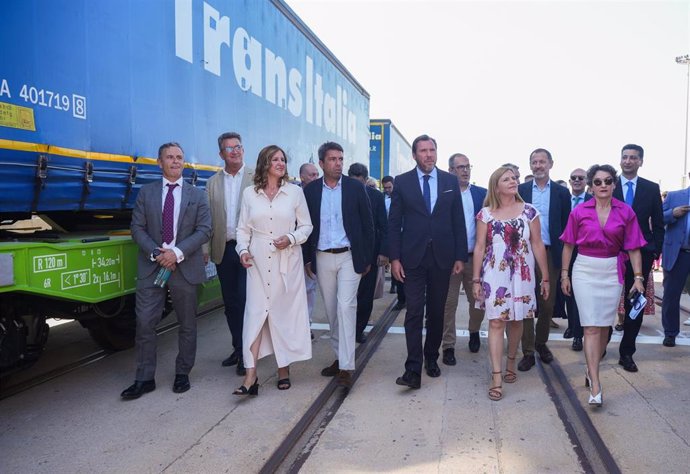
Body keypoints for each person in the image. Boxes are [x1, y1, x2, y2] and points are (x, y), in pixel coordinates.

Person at [121, 143, 211, 400]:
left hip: (185, 266)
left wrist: (176, 254)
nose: (175, 161)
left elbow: (205, 229)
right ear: (159, 162)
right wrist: (157, 254)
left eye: (179, 157)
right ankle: (144, 378)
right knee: (145, 323)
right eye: (169, 157)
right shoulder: (145, 193)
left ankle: (182, 373)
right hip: (153, 266)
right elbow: (136, 228)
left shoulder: (197, 194)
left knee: (187, 323)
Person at [561, 164, 646, 407]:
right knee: (590, 327)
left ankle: (591, 368)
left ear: (614, 184)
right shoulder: (579, 211)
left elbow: (633, 247)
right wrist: (564, 275)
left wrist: (638, 277)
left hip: (611, 271)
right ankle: (595, 382)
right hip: (585, 269)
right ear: (591, 185)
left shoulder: (626, 212)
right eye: (597, 182)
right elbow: (568, 244)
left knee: (604, 327)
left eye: (608, 181)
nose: (603, 186)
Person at [232, 145, 313, 395]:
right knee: (255, 315)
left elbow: (307, 226)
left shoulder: (295, 193)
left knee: (282, 316)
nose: (280, 163)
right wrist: (242, 251)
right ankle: (250, 376)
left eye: (283, 160)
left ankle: (283, 369)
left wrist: (290, 237)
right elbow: (242, 230)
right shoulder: (249, 194)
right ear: (264, 163)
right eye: (275, 159)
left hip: (286, 262)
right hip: (257, 262)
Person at [388, 134, 467, 390]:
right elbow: (394, 223)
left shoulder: (449, 181)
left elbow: (458, 220)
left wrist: (459, 256)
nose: (428, 155)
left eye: (432, 150)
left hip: (442, 257)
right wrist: (395, 258)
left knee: (436, 312)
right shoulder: (402, 182)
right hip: (412, 257)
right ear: (414, 155)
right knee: (413, 311)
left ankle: (431, 357)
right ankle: (413, 369)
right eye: (423, 150)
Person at [473, 166, 550, 401]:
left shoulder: (530, 212)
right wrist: (476, 278)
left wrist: (545, 277)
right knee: (496, 322)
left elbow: (537, 244)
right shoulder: (485, 214)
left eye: (514, 178)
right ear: (496, 186)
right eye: (506, 179)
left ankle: (511, 362)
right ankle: (496, 375)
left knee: (517, 319)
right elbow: (479, 247)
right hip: (495, 275)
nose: (513, 181)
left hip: (523, 275)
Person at [302, 142, 374, 388]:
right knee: (332, 311)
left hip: (348, 257)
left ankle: (346, 366)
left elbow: (368, 225)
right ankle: (339, 356)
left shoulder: (355, 188)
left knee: (345, 307)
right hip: (322, 257)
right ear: (322, 163)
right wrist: (307, 259)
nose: (338, 163)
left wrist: (366, 258)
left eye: (340, 159)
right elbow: (304, 227)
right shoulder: (310, 191)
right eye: (332, 159)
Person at [516, 148, 571, 372]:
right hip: (524, 252)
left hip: (550, 252)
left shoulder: (560, 192)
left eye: (542, 162)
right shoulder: (520, 190)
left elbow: (567, 224)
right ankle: (528, 351)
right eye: (534, 162)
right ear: (530, 165)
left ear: (550, 164)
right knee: (526, 302)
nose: (538, 166)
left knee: (547, 302)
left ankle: (541, 343)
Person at [612, 144, 664, 372]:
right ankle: (600, 344)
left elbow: (659, 224)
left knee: (635, 305)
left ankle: (627, 353)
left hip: (640, 255)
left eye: (633, 157)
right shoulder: (608, 185)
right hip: (610, 253)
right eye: (625, 157)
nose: (628, 161)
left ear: (641, 161)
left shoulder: (651, 188)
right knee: (607, 300)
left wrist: (654, 251)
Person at [207, 132, 255, 376]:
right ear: (221, 154)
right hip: (224, 250)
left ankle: (248, 353)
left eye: (238, 147)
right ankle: (238, 348)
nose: (235, 151)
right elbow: (207, 220)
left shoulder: (256, 177)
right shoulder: (212, 182)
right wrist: (206, 249)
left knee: (247, 302)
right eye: (229, 148)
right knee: (231, 304)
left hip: (250, 251)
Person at [441, 153, 487, 363]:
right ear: (451, 170)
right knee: (448, 304)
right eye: (460, 167)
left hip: (475, 258)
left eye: (468, 166)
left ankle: (474, 331)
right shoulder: (444, 193)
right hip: (450, 260)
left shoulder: (482, 194)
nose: (465, 171)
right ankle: (448, 345)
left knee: (477, 301)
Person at [348, 163, 388, 344]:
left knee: (365, 295)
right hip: (346, 253)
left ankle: (358, 329)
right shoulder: (342, 194)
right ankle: (347, 329)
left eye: (359, 182)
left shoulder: (376, 197)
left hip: (370, 254)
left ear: (365, 180)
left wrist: (383, 252)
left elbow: (384, 226)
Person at [562, 168, 592, 352]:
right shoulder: (563, 199)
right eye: (574, 178)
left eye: (581, 178)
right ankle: (572, 326)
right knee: (568, 292)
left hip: (586, 253)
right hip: (566, 251)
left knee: (582, 295)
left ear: (587, 181)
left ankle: (579, 335)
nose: (577, 180)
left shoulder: (592, 201)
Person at [660, 173, 690, 347]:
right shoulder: (674, 196)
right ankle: (670, 333)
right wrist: (673, 213)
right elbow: (658, 217)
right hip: (679, 253)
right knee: (671, 295)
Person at [299, 163, 320, 327]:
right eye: (312, 175)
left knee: (309, 287)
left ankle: (307, 322)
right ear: (302, 177)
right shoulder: (294, 194)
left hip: (312, 248)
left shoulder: (321, 194)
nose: (315, 178)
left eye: (316, 174)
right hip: (293, 248)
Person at [383, 175, 405, 308]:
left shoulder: (405, 198)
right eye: (385, 188)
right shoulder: (383, 200)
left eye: (389, 187)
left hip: (406, 237)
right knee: (395, 268)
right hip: (392, 238)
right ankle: (401, 298)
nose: (387, 190)